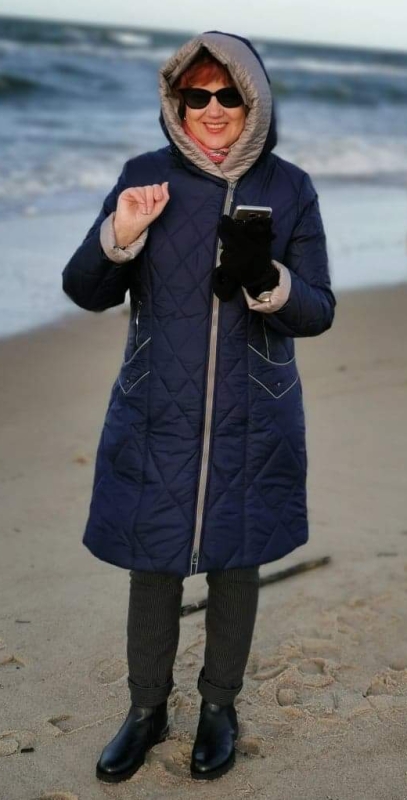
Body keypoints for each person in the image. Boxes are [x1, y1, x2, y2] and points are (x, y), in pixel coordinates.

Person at [62, 31, 336, 784]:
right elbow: (84, 289)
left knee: (235, 562)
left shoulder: (290, 187)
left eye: (229, 95)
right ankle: (145, 709)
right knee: (153, 562)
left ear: (255, 101)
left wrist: (268, 279)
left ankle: (219, 707)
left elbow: (318, 310)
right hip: (159, 410)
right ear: (175, 102)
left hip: (255, 414)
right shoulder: (143, 177)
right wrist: (120, 234)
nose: (213, 110)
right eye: (197, 95)